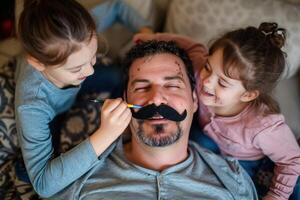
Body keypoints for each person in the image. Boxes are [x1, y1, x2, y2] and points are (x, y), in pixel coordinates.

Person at [48, 40, 258, 200]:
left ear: (194, 101)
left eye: (172, 86)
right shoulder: (76, 177)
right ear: (124, 101)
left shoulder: (233, 181)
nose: (156, 98)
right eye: (141, 87)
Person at [134, 22, 300, 200]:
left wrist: (276, 195)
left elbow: (292, 160)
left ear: (248, 95)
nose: (207, 82)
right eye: (208, 67)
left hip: (247, 161)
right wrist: (153, 37)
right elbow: (192, 46)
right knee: (191, 144)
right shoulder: (199, 71)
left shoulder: (263, 127)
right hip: (209, 139)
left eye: (222, 83)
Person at [14, 0, 146, 197]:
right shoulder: (32, 106)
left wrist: (147, 32)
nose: (91, 70)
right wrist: (106, 134)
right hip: (50, 113)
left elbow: (117, 7)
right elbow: (43, 185)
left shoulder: (77, 33)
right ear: (38, 63)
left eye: (93, 55)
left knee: (119, 76)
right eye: (76, 68)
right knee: (29, 172)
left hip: (68, 94)